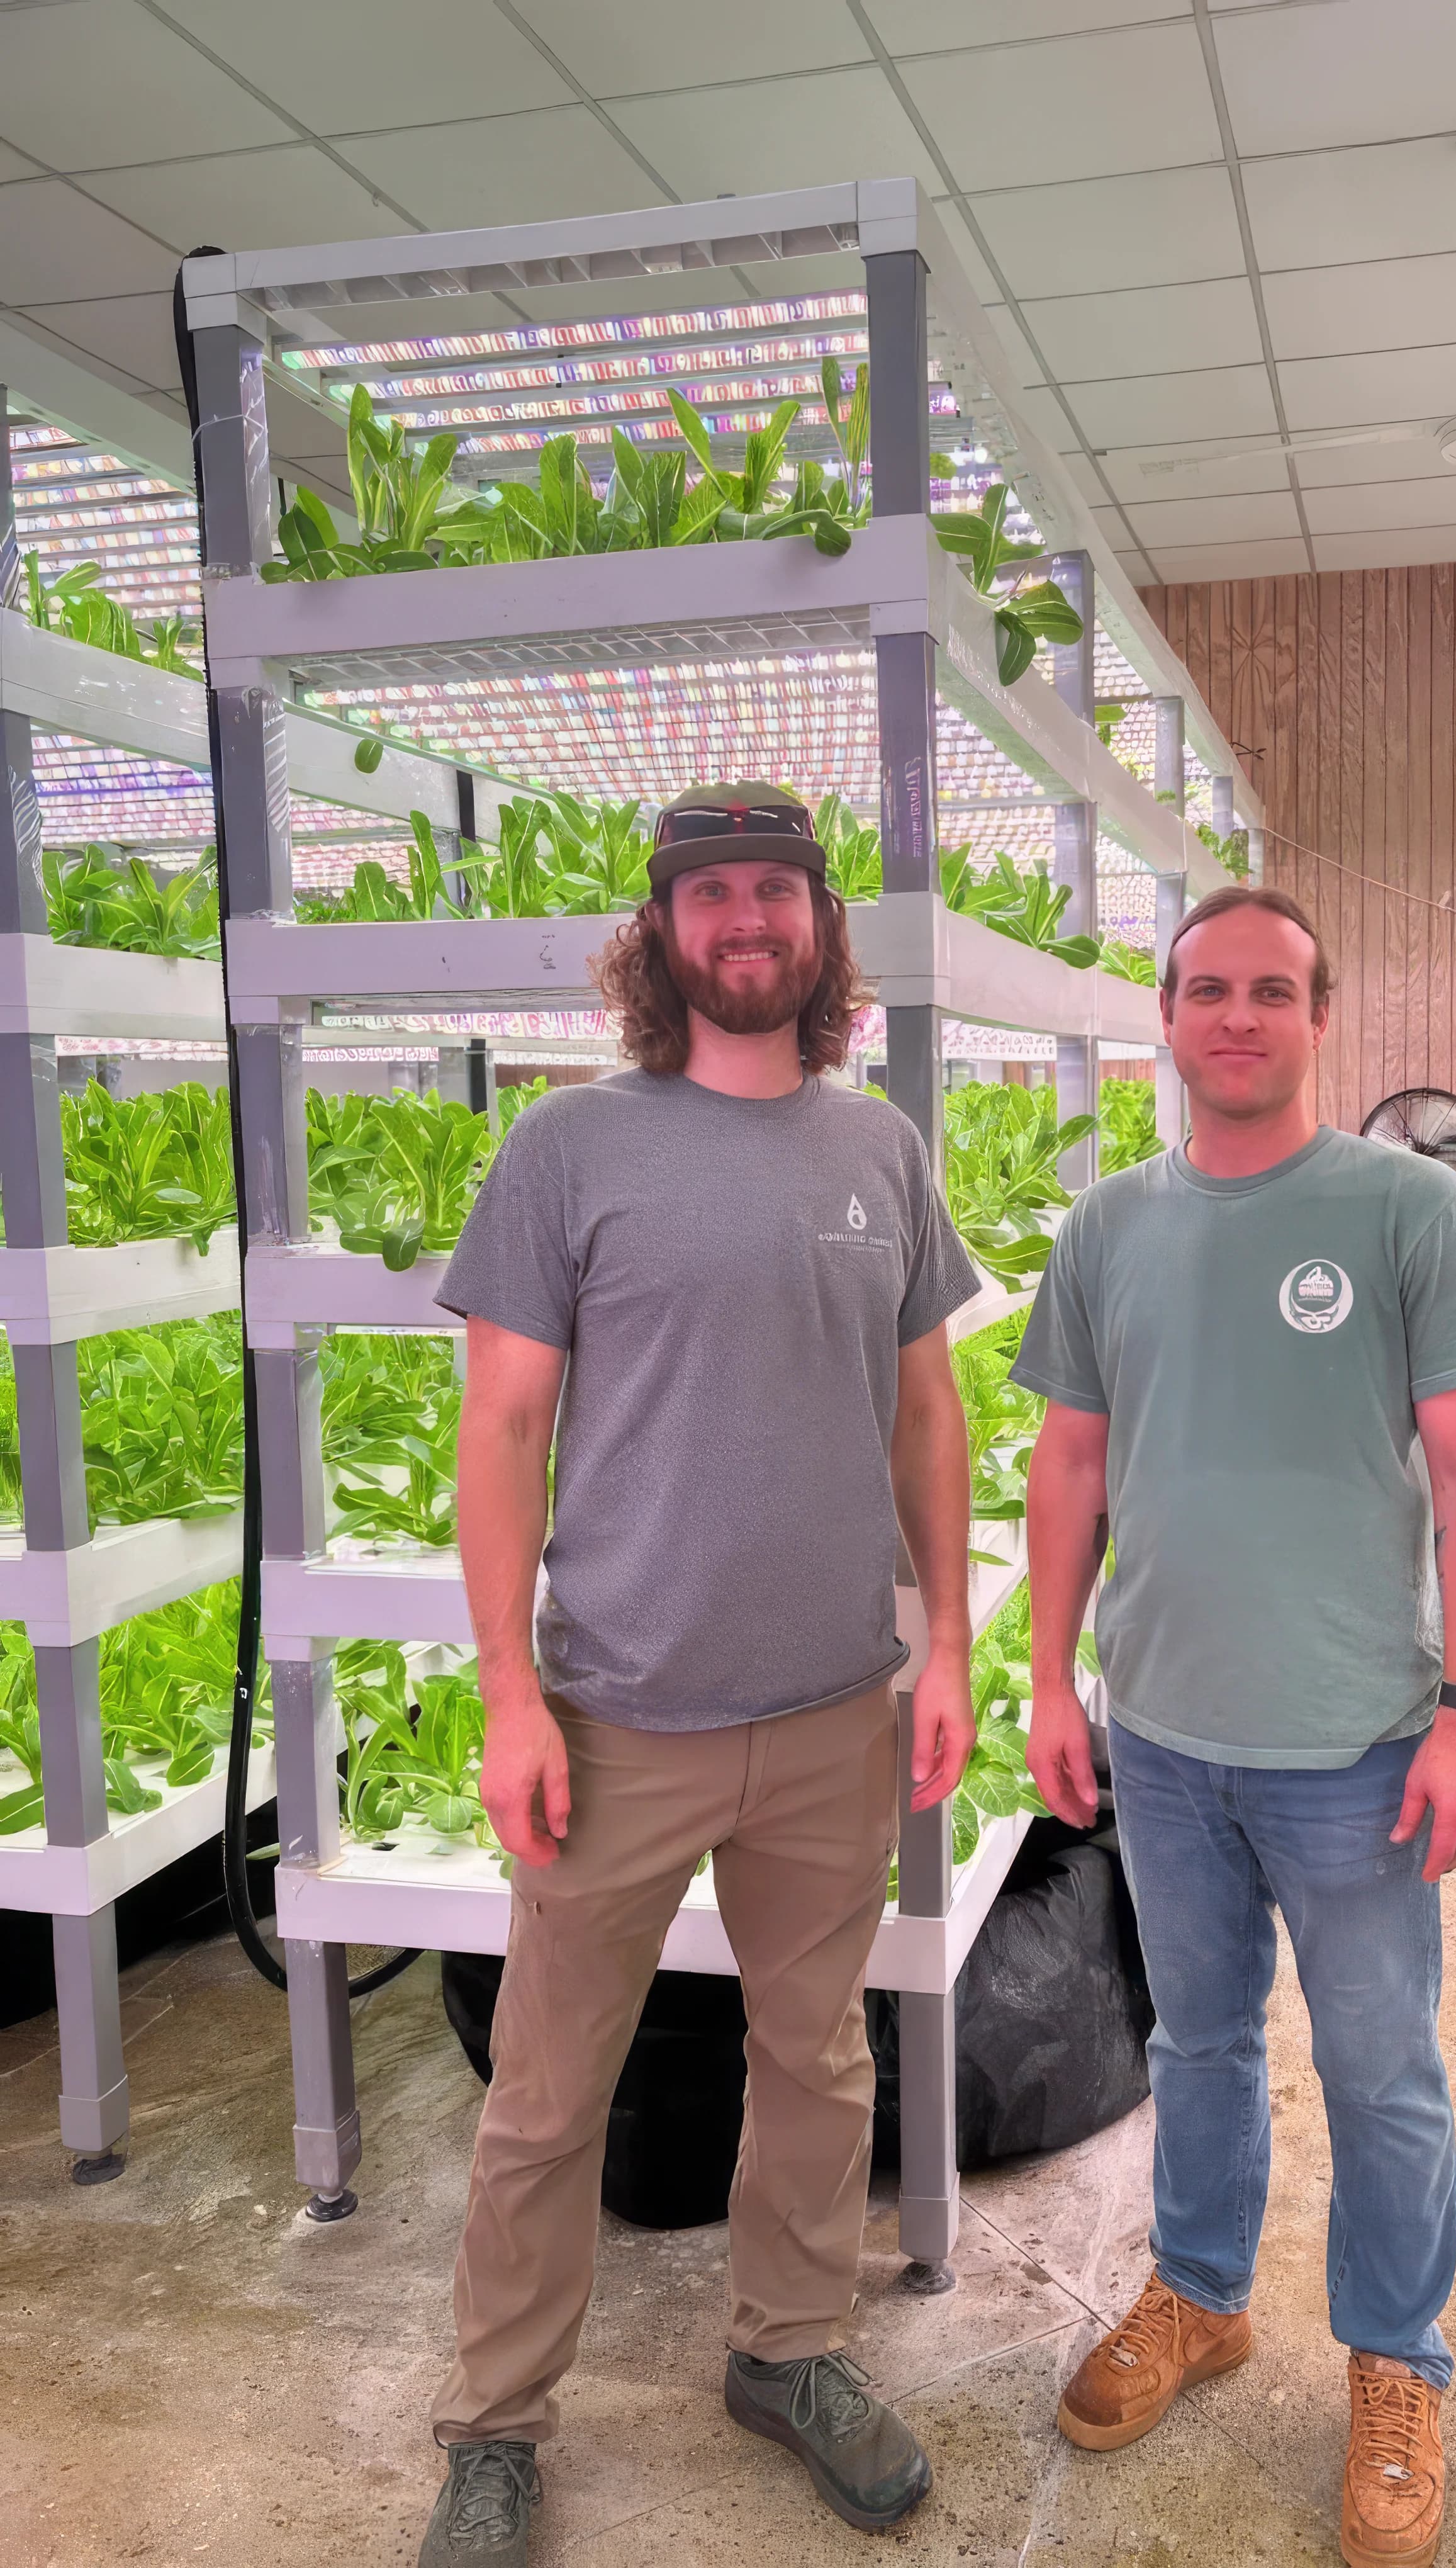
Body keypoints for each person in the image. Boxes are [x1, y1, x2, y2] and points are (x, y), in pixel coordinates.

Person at [416, 782, 981, 2567]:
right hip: (615, 1714)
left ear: (820, 929)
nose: (745, 920)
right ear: (661, 934)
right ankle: (495, 2425)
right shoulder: (570, 1150)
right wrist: (509, 1694)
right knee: (544, 2095)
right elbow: (501, 1431)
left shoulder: (880, 1149)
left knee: (815, 2058)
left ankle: (789, 2351)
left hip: (829, 1710)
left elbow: (925, 1410)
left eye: (775, 893)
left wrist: (949, 1637)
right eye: (709, 895)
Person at [1015, 884, 1456, 2568]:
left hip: (1361, 1743)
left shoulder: (1407, 1214)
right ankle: (1201, 2294)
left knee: (1380, 2068)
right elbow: (1072, 1466)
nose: (1236, 1015)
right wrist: (1047, 1678)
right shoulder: (1106, 1227)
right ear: (1163, 1021)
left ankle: (1396, 2363)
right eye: (1205, 990)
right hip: (1164, 1734)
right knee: (1196, 2042)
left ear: (1319, 1020)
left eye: (1272, 991)